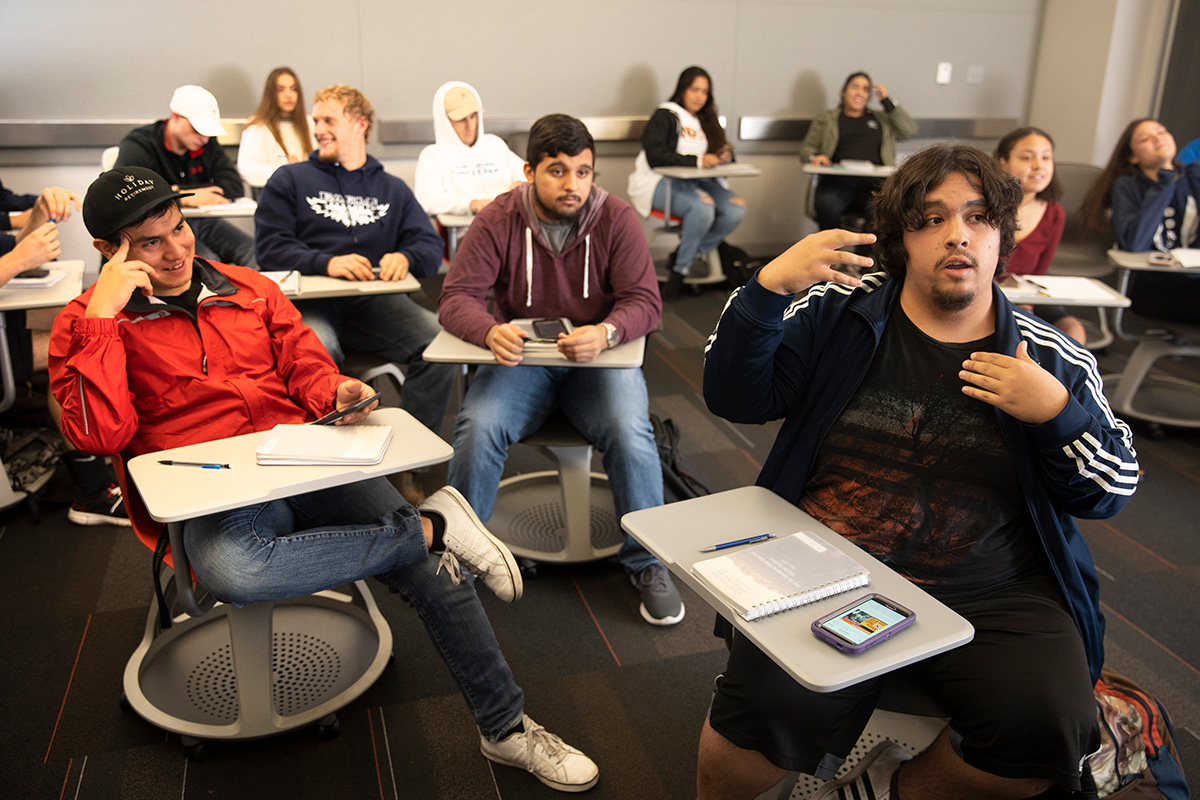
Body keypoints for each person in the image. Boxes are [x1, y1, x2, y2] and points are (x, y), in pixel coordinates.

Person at [47, 166, 600, 793]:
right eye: (151, 243)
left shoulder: (249, 288)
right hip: (215, 490)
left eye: (179, 230)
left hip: (301, 458)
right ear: (107, 252)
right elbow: (100, 436)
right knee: (237, 572)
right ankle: (434, 524)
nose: (177, 251)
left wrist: (332, 389)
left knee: (436, 576)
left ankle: (505, 730)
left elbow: (303, 362)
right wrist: (99, 316)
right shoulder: (85, 327)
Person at [699, 144, 1138, 800]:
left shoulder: (1049, 357)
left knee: (1048, 730)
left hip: (994, 586)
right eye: (930, 219)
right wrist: (766, 290)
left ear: (1002, 237)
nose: (956, 233)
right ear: (901, 239)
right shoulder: (838, 315)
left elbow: (1111, 489)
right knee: (744, 737)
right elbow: (733, 395)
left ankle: (892, 791)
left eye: (978, 217)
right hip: (830, 572)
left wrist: (1057, 413)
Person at [440, 114, 685, 626]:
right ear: (529, 170)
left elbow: (645, 302)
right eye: (557, 171)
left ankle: (647, 561)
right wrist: (487, 329)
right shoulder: (498, 219)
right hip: (522, 362)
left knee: (629, 429)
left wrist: (609, 331)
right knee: (478, 425)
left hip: (595, 362)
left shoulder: (615, 218)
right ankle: (460, 554)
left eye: (583, 172)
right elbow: (457, 298)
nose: (572, 184)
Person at [254, 84, 456, 448]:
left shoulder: (391, 188)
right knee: (317, 353)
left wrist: (405, 256)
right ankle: (326, 464)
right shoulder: (289, 180)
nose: (317, 129)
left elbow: (429, 245)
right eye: (315, 120)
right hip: (309, 306)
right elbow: (270, 249)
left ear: (360, 124)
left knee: (438, 346)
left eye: (328, 120)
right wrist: (326, 262)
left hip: (372, 305)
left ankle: (408, 458)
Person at [627, 66, 747, 301]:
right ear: (683, 89)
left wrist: (724, 156)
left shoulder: (706, 120)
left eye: (705, 92)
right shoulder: (665, 115)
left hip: (698, 183)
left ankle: (685, 255)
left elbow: (724, 151)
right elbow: (656, 156)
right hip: (661, 182)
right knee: (702, 207)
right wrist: (699, 160)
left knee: (736, 206)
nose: (699, 96)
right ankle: (679, 271)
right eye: (695, 90)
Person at [116, 85, 256, 267]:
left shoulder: (206, 143)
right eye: (198, 130)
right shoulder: (140, 145)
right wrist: (184, 197)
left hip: (201, 222)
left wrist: (176, 192)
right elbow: (130, 196)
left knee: (252, 251)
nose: (204, 139)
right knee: (207, 263)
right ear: (175, 117)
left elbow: (234, 185)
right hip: (160, 229)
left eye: (207, 132)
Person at [1081, 118, 1200, 324]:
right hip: (1153, 288)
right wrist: (1163, 182)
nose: (1157, 138)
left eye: (1161, 131)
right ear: (1133, 157)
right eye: (1145, 138)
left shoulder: (1193, 177)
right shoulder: (1128, 186)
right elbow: (1133, 243)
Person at [994, 126, 1086, 344]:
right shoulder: (985, 206)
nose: (1038, 165)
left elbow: (1040, 272)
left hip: (1023, 296)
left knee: (1072, 328)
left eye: (1046, 158)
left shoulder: (1054, 213)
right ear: (1003, 162)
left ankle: (1062, 379)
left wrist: (1027, 304)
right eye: (1027, 157)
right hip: (982, 295)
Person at [799, 71, 916, 232]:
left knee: (880, 212)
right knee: (827, 205)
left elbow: (909, 131)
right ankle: (833, 254)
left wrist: (887, 102)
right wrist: (814, 156)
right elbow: (807, 148)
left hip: (874, 183)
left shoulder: (881, 119)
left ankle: (866, 255)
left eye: (865, 89)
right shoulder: (827, 118)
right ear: (844, 91)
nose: (859, 93)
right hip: (837, 181)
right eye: (855, 87)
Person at [414, 81, 526, 216]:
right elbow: (427, 200)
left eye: (473, 116)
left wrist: (524, 186)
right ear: (445, 121)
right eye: (461, 119)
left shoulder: (495, 144)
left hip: (507, 224)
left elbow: (530, 176)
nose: (470, 126)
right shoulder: (432, 155)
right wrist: (470, 204)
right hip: (464, 230)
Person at [238, 67, 316, 190]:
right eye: (281, 89)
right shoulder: (257, 126)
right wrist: (284, 168)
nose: (288, 95)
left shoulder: (310, 123)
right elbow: (247, 169)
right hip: (273, 191)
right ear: (271, 94)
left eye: (293, 89)